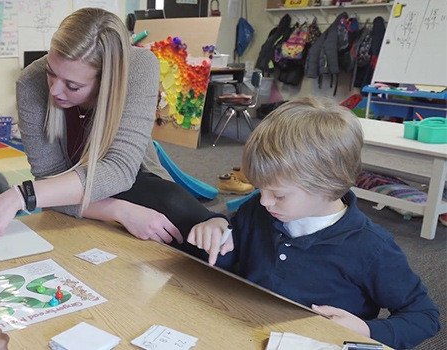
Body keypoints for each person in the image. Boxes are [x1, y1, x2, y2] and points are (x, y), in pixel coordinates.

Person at [0, 8, 222, 249]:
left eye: (73, 86)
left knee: (181, 212)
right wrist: (120, 211)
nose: (55, 90)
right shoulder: (30, 83)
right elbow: (50, 183)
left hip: (133, 177)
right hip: (70, 188)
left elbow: (120, 171)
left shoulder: (139, 67)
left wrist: (20, 195)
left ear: (105, 81)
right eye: (51, 71)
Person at [187, 97, 440, 349]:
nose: (264, 201)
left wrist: (366, 330)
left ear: (327, 186)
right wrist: (216, 225)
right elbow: (233, 259)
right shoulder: (260, 210)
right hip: (242, 330)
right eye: (259, 188)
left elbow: (423, 316)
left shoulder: (372, 248)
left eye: (279, 194)